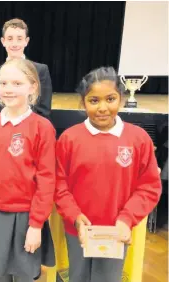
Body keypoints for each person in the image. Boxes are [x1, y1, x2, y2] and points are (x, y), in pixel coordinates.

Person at [55, 66, 162, 282]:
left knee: (108, 278)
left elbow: (149, 186)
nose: (103, 107)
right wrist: (75, 216)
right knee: (78, 277)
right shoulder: (69, 139)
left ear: (121, 98)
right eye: (94, 100)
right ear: (83, 102)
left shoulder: (138, 139)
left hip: (116, 230)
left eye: (110, 99)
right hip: (79, 231)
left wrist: (126, 219)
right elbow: (58, 184)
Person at [0, 58, 56, 282]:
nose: (8, 90)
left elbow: (47, 180)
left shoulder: (42, 127)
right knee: (1, 276)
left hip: (26, 217)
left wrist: (36, 224)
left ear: (33, 87)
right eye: (4, 83)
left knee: (25, 276)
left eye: (17, 84)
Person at [0, 18, 53, 120]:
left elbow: (43, 109)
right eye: (10, 39)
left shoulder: (40, 71)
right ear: (3, 41)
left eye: (19, 39)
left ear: (26, 41)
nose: (14, 44)